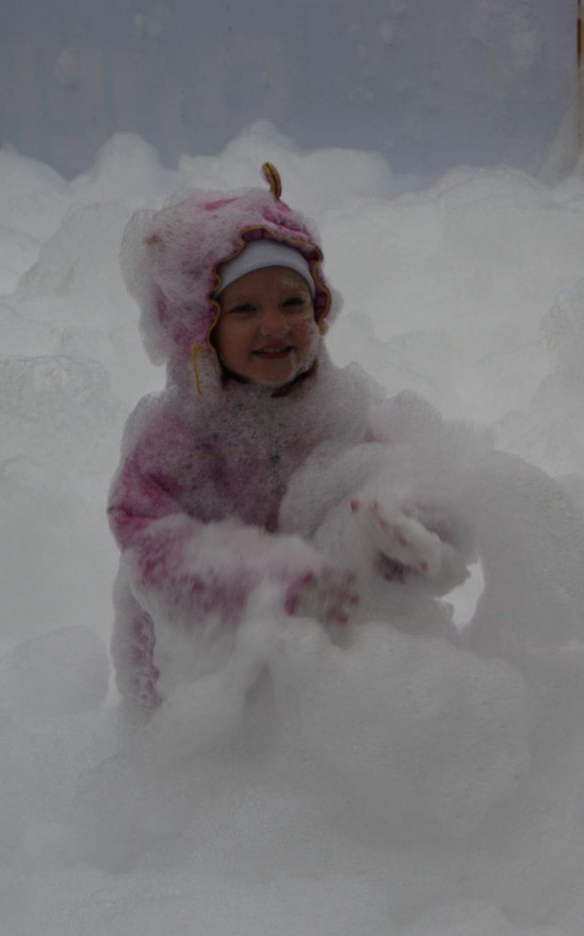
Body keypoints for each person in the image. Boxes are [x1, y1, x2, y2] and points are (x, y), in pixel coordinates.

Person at [108, 164, 473, 710]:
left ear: (319, 311)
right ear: (200, 329)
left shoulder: (337, 407)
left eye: (292, 303)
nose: (275, 325)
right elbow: (153, 548)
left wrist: (410, 530)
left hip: (312, 636)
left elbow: (384, 471)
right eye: (245, 309)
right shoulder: (175, 440)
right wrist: (268, 579)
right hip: (192, 680)